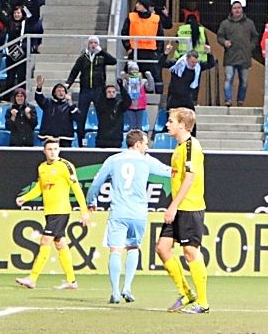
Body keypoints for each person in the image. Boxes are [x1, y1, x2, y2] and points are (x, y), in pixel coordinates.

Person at [87, 130, 173, 304]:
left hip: (119, 212)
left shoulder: (113, 160)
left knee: (115, 250)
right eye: (145, 143)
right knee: (133, 248)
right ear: (137, 144)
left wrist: (92, 201)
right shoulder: (146, 160)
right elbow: (170, 172)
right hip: (139, 213)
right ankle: (127, 287)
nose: (147, 147)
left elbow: (96, 182)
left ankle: (115, 292)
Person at [14, 139, 89, 290]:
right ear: (44, 151)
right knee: (60, 243)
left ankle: (32, 278)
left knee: (45, 241)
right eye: (50, 149)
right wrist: (25, 197)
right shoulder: (42, 168)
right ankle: (71, 281)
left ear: (59, 150)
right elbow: (39, 188)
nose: (53, 152)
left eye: (55, 149)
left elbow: (77, 189)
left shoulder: (65, 166)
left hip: (60, 211)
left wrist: (84, 210)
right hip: (49, 211)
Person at [156, 107, 209, 314]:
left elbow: (190, 178)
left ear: (182, 125)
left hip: (189, 206)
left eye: (170, 121)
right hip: (179, 207)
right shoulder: (179, 147)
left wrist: (173, 205)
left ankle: (203, 303)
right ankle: (186, 293)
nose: (167, 124)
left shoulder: (191, 147)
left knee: (190, 252)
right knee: (162, 248)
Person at [121, 0, 172, 93]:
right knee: (131, 74)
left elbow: (160, 35)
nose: (136, 5)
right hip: (135, 50)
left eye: (139, 4)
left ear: (144, 5)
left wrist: (158, 51)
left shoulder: (156, 18)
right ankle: (131, 95)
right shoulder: (131, 17)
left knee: (155, 75)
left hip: (151, 51)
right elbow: (124, 33)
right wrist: (128, 47)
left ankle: (157, 98)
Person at [66, 36, 117, 125]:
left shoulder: (102, 57)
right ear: (88, 44)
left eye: (95, 43)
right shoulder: (83, 58)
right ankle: (80, 137)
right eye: (91, 43)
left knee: (101, 115)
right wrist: (68, 83)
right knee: (81, 115)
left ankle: (101, 136)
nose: (93, 45)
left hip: (99, 90)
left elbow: (113, 61)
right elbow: (75, 71)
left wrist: (102, 52)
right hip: (85, 90)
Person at [216, 0, 258, 108]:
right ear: (231, 10)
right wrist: (224, 42)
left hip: (244, 57)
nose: (237, 10)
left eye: (239, 7)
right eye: (235, 8)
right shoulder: (225, 23)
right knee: (228, 79)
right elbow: (219, 36)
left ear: (242, 9)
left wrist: (250, 47)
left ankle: (240, 101)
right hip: (230, 56)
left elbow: (255, 37)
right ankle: (228, 100)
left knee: (244, 82)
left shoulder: (249, 23)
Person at [34, 76, 81, 147]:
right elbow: (39, 98)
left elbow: (78, 117)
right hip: (49, 137)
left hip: (65, 138)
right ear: (54, 93)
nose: (61, 93)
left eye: (63, 91)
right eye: (59, 91)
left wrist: (70, 104)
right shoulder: (48, 102)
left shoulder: (69, 105)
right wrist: (39, 86)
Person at [94, 81, 131, 148]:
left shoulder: (120, 105)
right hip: (102, 140)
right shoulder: (101, 105)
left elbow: (128, 101)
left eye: (113, 92)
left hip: (116, 140)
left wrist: (122, 88)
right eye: (109, 92)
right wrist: (102, 89)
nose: (111, 93)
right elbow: (99, 102)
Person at [163, 48, 201, 112]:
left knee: (191, 118)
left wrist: (209, 53)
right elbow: (162, 64)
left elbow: (210, 64)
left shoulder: (197, 67)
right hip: (174, 97)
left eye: (195, 62)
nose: (194, 64)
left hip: (186, 98)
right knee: (173, 119)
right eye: (192, 62)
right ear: (187, 59)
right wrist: (165, 53)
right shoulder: (177, 64)